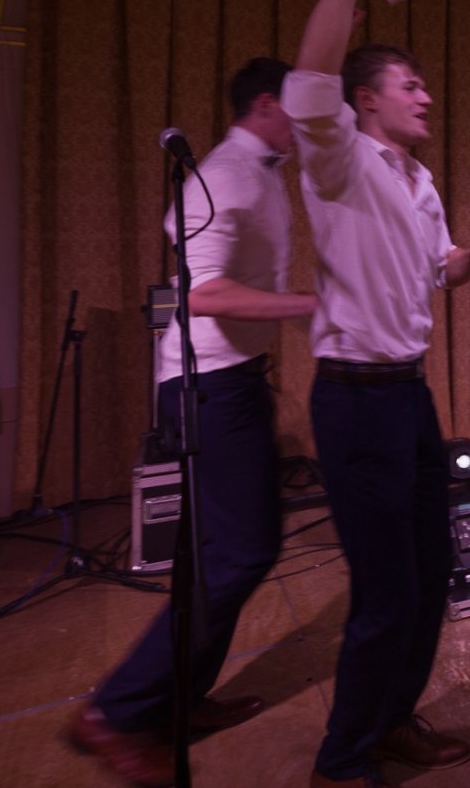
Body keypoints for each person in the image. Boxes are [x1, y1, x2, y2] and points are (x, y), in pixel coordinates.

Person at [283, 0, 470, 787]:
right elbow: (312, 74)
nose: (426, 97)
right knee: (384, 593)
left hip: (408, 396)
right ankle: (342, 762)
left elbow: (435, 276)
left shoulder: (419, 180)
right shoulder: (338, 156)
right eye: (408, 85)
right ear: (366, 100)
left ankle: (391, 723)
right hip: (354, 400)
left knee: (429, 573)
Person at [68, 58, 317, 786]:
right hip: (206, 385)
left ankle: (176, 700)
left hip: (230, 379)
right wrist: (308, 305)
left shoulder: (260, 172)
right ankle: (116, 713)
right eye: (299, 105)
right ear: (267, 103)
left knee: (224, 554)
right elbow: (201, 293)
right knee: (242, 551)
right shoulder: (225, 173)